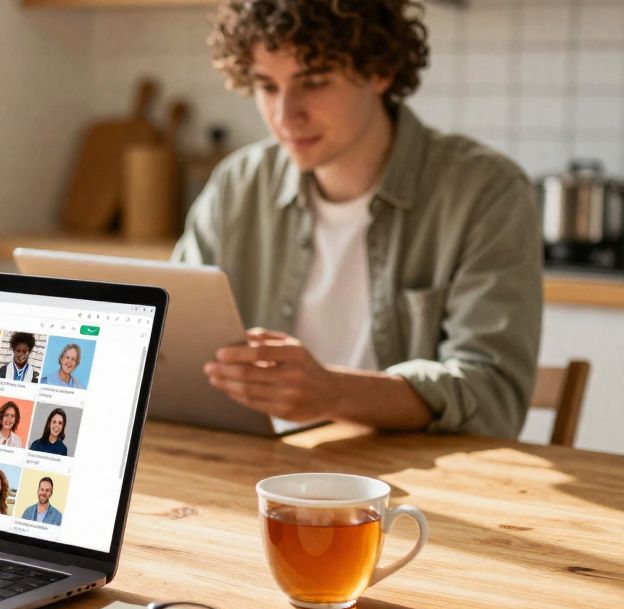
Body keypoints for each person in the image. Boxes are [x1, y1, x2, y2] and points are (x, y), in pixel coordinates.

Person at [174, 0, 540, 438]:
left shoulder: (485, 192)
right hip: (256, 464)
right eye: (267, 86)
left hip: (410, 475)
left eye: (314, 82)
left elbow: (494, 396)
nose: (285, 115)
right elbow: (170, 346)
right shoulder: (237, 185)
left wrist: (333, 394)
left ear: (380, 71)